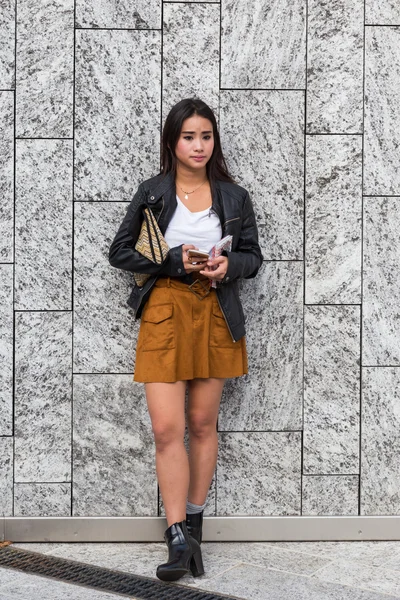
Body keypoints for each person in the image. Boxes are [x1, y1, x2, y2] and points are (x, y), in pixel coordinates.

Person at [108, 97, 263, 582]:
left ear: (214, 140)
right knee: (166, 428)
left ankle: (193, 524)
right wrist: (172, 260)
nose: (198, 145)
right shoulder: (153, 192)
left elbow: (253, 259)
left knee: (201, 423)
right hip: (165, 309)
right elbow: (119, 251)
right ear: (172, 142)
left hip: (216, 310)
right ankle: (177, 536)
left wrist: (226, 265)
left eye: (206, 135)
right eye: (189, 136)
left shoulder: (234, 197)